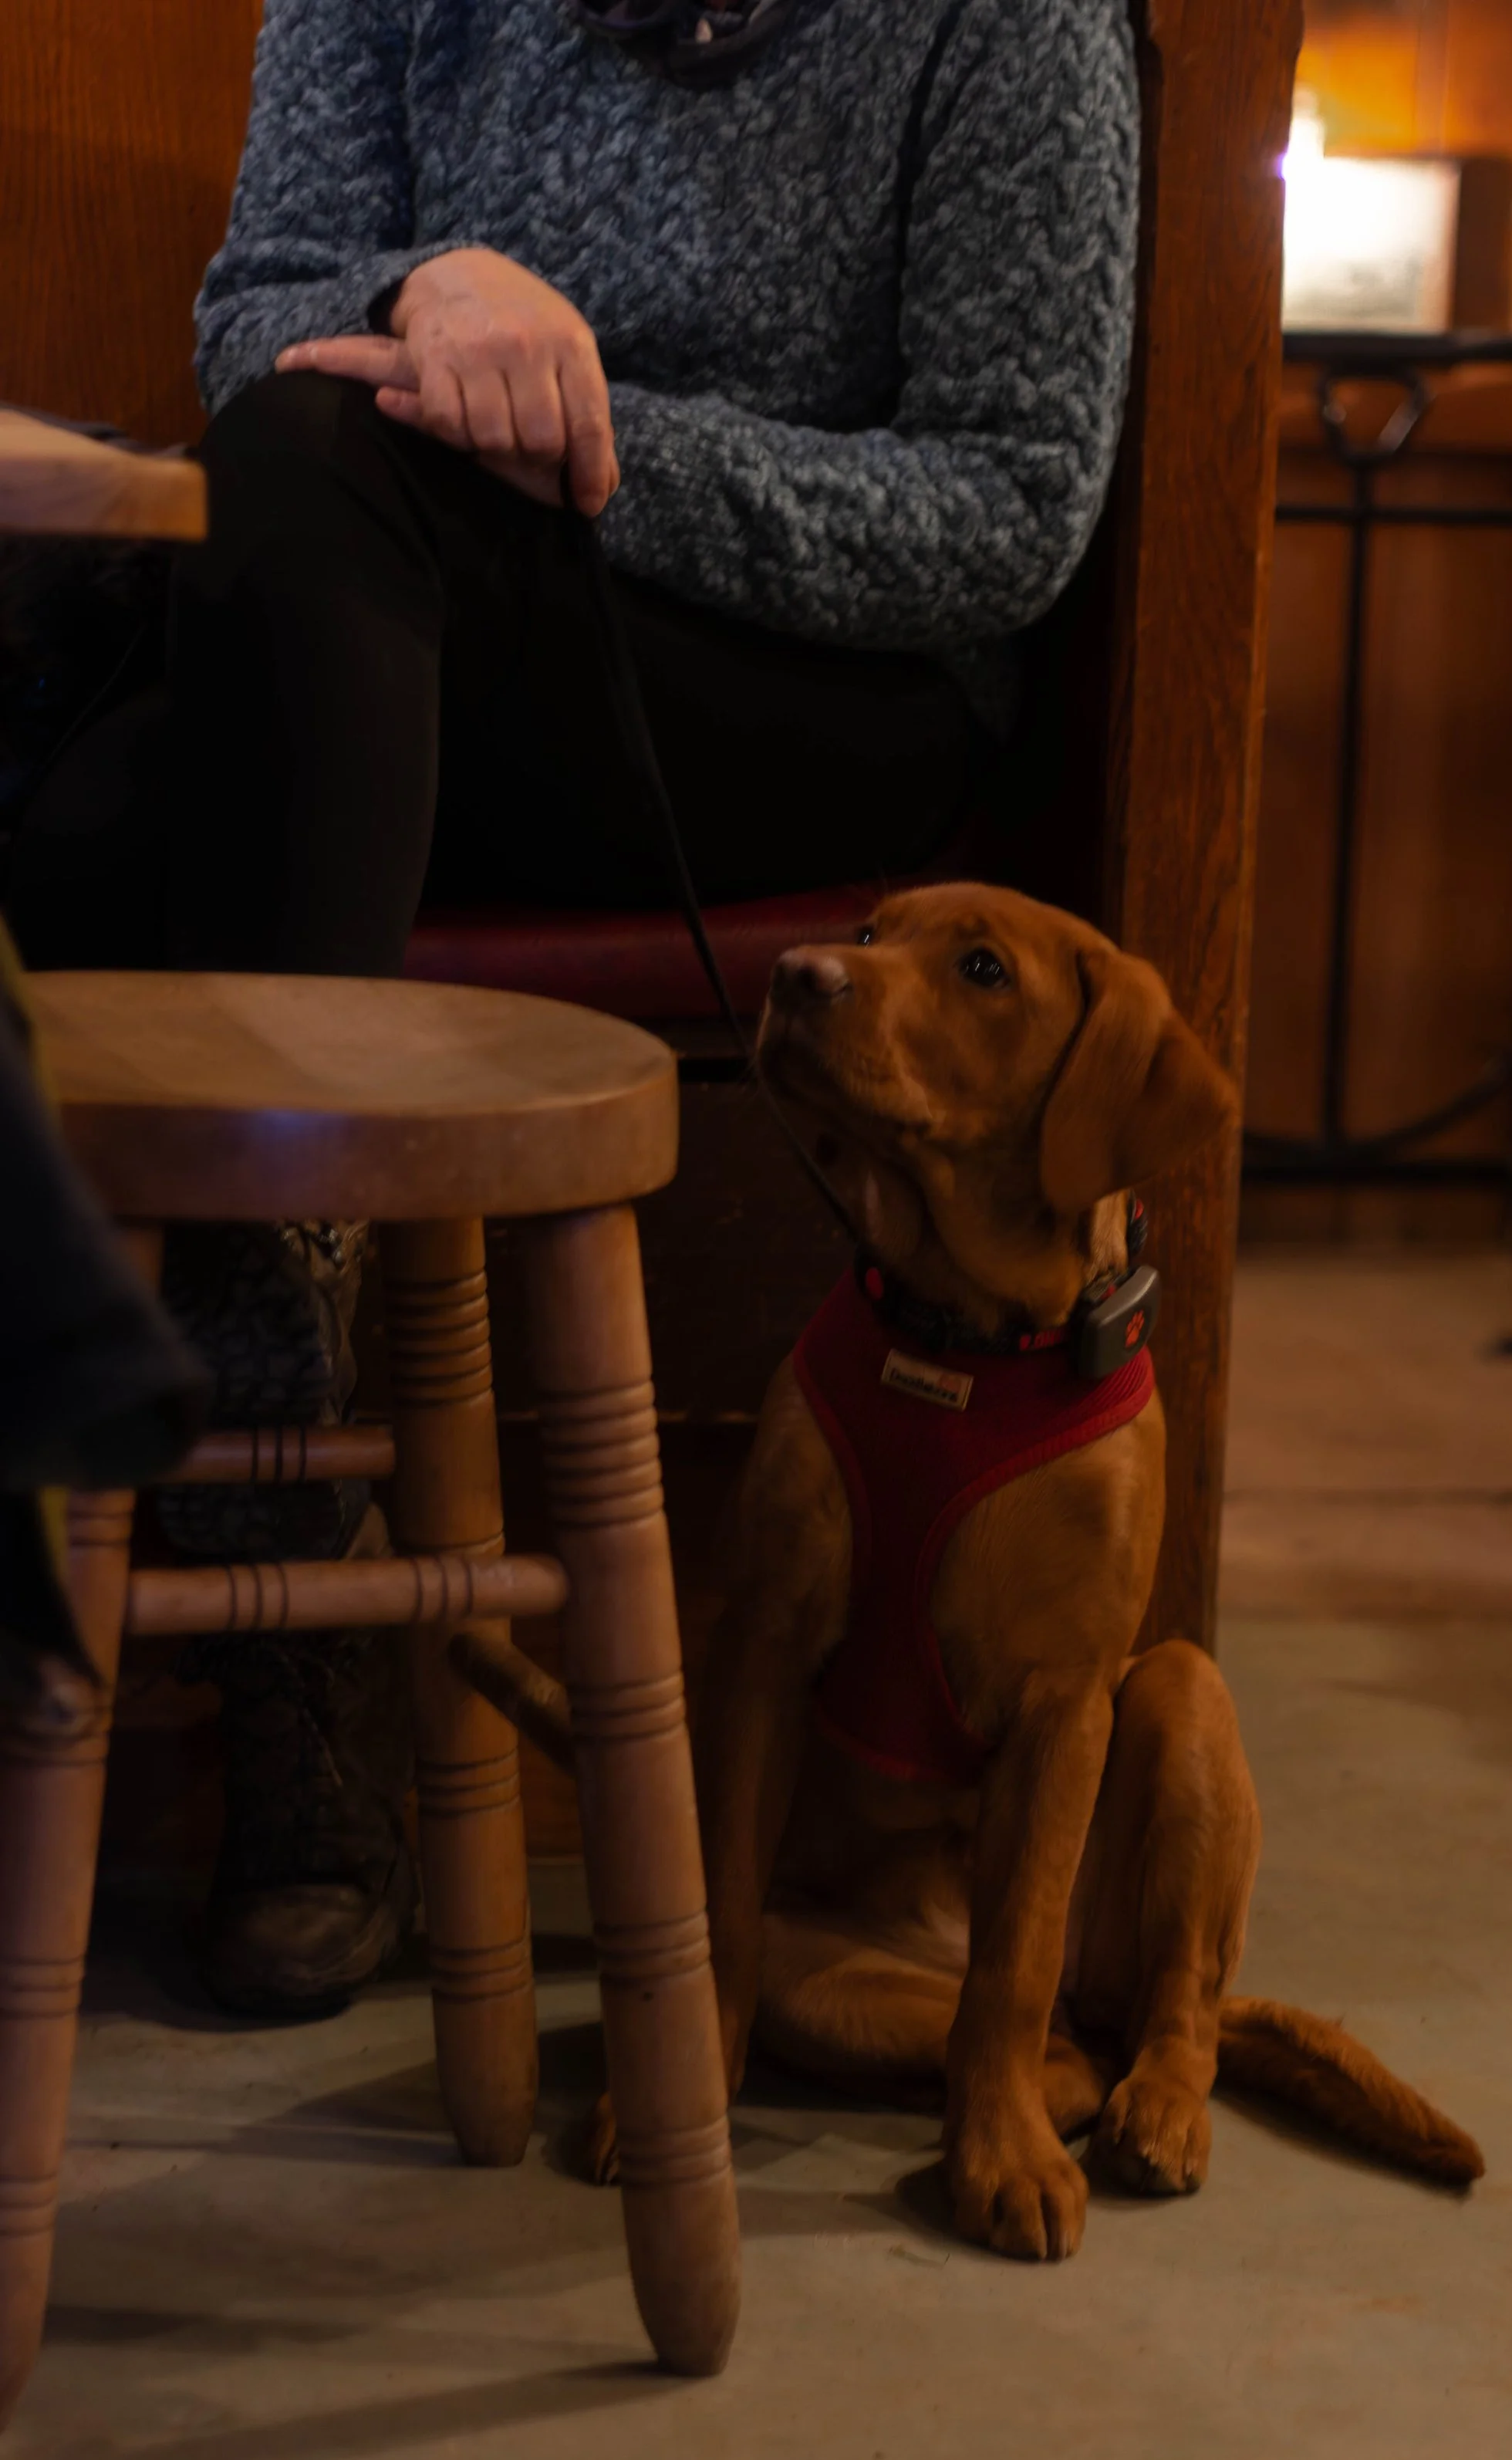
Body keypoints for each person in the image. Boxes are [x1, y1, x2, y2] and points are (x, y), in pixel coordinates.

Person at [4, 0, 1140, 2014]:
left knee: (277, 518)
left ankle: (293, 1640)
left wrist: (574, 428)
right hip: (388, 612)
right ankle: (272, 1476)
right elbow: (260, 308)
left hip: (799, 691)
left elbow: (1010, 504)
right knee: (89, 784)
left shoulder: (1005, 19)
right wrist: (433, 290)